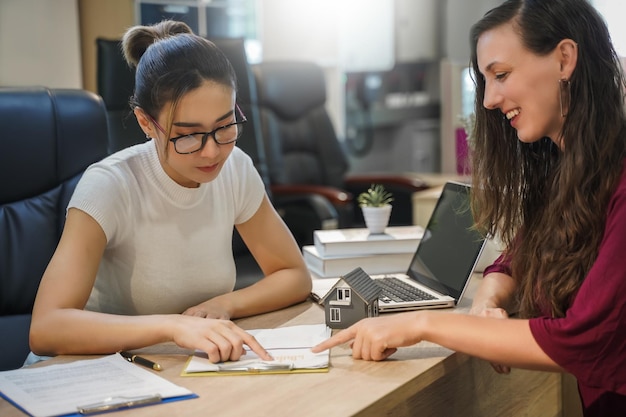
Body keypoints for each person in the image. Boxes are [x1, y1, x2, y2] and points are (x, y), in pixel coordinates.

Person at [312, 0, 626, 415]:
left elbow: (583, 339)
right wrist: (486, 305)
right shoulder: (573, 170)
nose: (490, 99)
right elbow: (519, 256)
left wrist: (421, 323)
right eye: (485, 80)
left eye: (501, 74)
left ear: (565, 59)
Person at [29, 20, 311, 364]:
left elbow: (293, 276)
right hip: (88, 372)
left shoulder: (235, 167)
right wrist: (171, 327)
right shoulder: (110, 184)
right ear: (146, 123)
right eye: (188, 135)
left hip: (176, 364)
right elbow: (46, 328)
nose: (212, 152)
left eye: (225, 126)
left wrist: (225, 304)